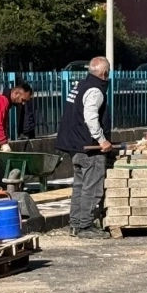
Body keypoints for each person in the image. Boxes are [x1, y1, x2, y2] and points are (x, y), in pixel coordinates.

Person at [56, 57, 112, 238]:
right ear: (104, 73)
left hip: (75, 146)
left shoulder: (80, 86)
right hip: (90, 148)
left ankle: (75, 224)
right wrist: (102, 140)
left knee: (79, 187)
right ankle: (85, 226)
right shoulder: (95, 90)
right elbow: (90, 117)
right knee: (92, 188)